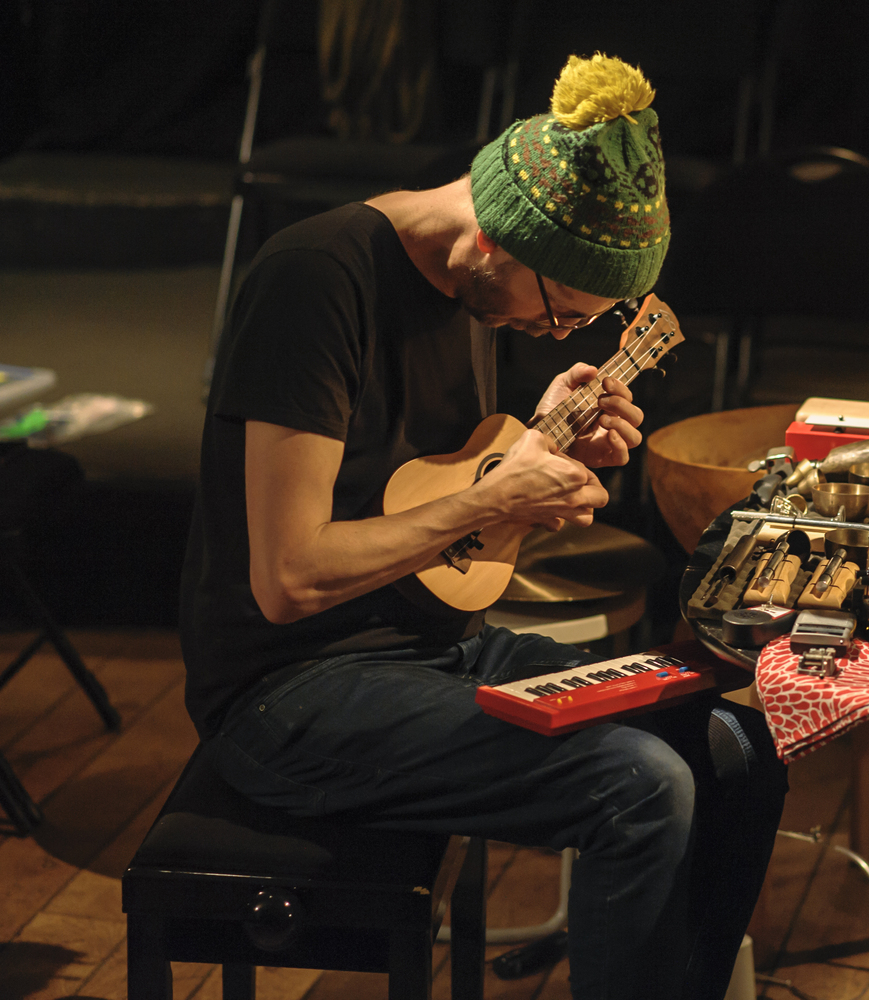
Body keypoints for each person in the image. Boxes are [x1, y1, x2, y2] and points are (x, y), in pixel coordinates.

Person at [179, 54, 787, 999]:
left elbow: (423, 513)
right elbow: (289, 577)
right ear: (495, 241)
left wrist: (536, 452)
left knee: (733, 747)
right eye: (560, 314)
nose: (555, 334)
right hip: (288, 692)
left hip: (431, 651)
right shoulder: (316, 279)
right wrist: (495, 499)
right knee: (639, 784)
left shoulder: (474, 290)